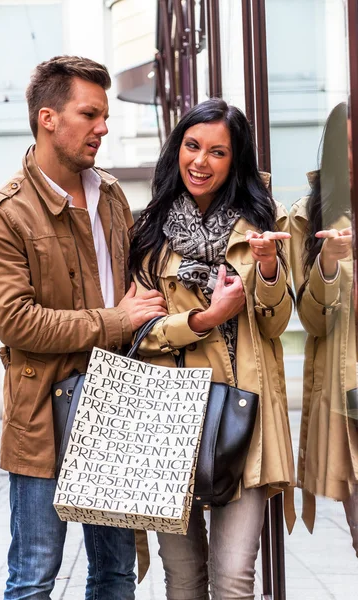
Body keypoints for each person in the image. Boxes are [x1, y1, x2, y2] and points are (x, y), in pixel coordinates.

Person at [0, 55, 167, 600]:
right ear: (48, 118)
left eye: (104, 115)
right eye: (90, 114)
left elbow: (136, 293)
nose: (104, 127)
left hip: (115, 410)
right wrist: (115, 320)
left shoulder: (112, 195)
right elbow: (17, 321)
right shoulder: (1, 215)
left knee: (114, 575)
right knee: (34, 577)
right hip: (41, 422)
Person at [128, 98, 295, 599]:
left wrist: (267, 270)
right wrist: (205, 319)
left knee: (234, 579)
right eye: (192, 146)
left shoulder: (263, 222)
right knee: (182, 580)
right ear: (176, 149)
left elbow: (276, 322)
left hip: (244, 415)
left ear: (235, 159)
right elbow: (138, 332)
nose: (200, 162)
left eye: (217, 152)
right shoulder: (147, 233)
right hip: (168, 419)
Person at [289, 101, 358, 555]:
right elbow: (312, 321)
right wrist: (329, 267)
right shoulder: (309, 216)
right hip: (353, 399)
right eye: (346, 146)